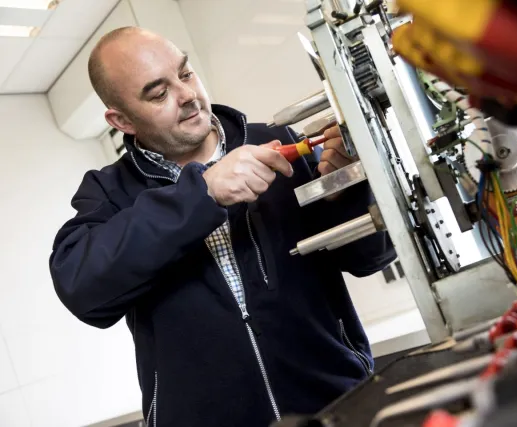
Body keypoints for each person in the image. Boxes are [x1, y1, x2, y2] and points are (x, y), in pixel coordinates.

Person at [49, 27, 395, 427]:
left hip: (336, 405)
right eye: (159, 94)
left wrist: (346, 191)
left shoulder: (277, 141)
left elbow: (372, 257)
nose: (187, 96)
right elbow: (82, 287)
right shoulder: (109, 192)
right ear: (121, 119)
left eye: (186, 73)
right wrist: (203, 193)